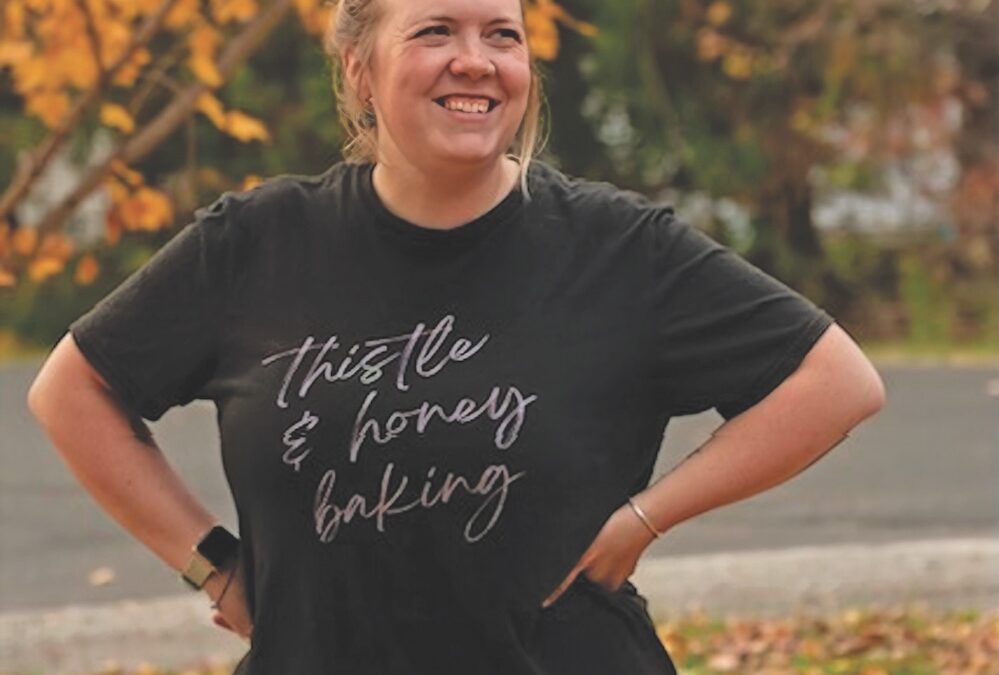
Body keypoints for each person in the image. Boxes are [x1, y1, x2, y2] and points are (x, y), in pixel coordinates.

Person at [26, 0, 886, 672]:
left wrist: (645, 516)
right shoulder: (258, 242)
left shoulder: (619, 248)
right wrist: (211, 562)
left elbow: (836, 382)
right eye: (435, 30)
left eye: (502, 35)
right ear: (360, 68)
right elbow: (72, 391)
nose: (475, 60)